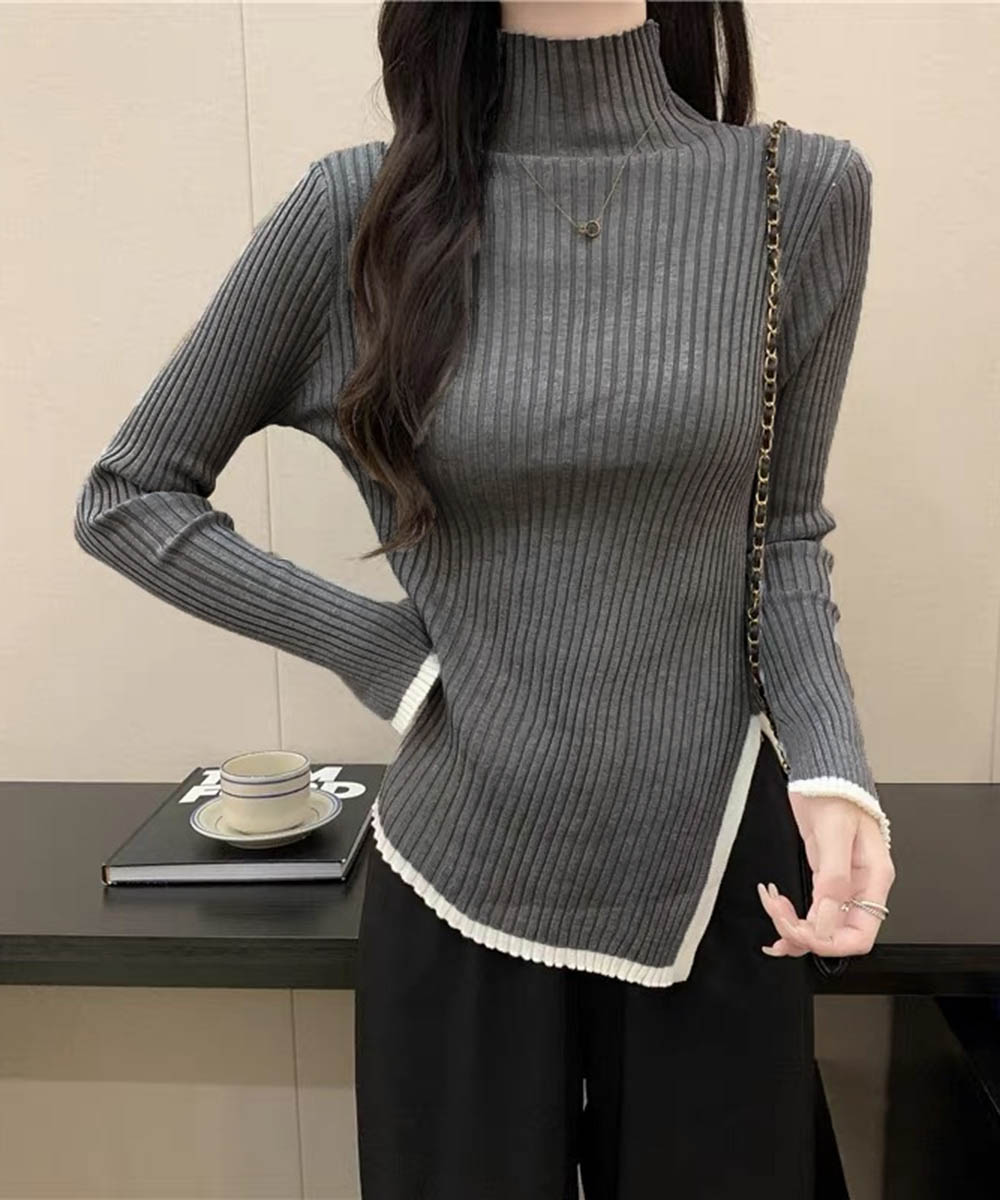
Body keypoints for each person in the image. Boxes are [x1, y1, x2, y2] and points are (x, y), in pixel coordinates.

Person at [74, 2, 897, 1195]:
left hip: (719, 863)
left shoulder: (798, 195)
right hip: (461, 868)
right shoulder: (357, 212)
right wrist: (376, 648)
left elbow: (776, 533)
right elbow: (128, 494)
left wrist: (832, 768)